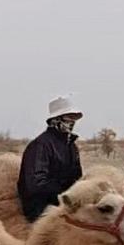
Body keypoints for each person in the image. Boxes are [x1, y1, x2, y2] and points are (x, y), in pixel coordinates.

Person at [17, 95, 83, 223]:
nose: (73, 121)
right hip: (42, 210)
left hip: (65, 205)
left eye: (74, 118)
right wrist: (66, 194)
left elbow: (77, 177)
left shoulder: (71, 146)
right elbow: (36, 185)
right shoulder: (40, 145)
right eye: (69, 117)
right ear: (56, 119)